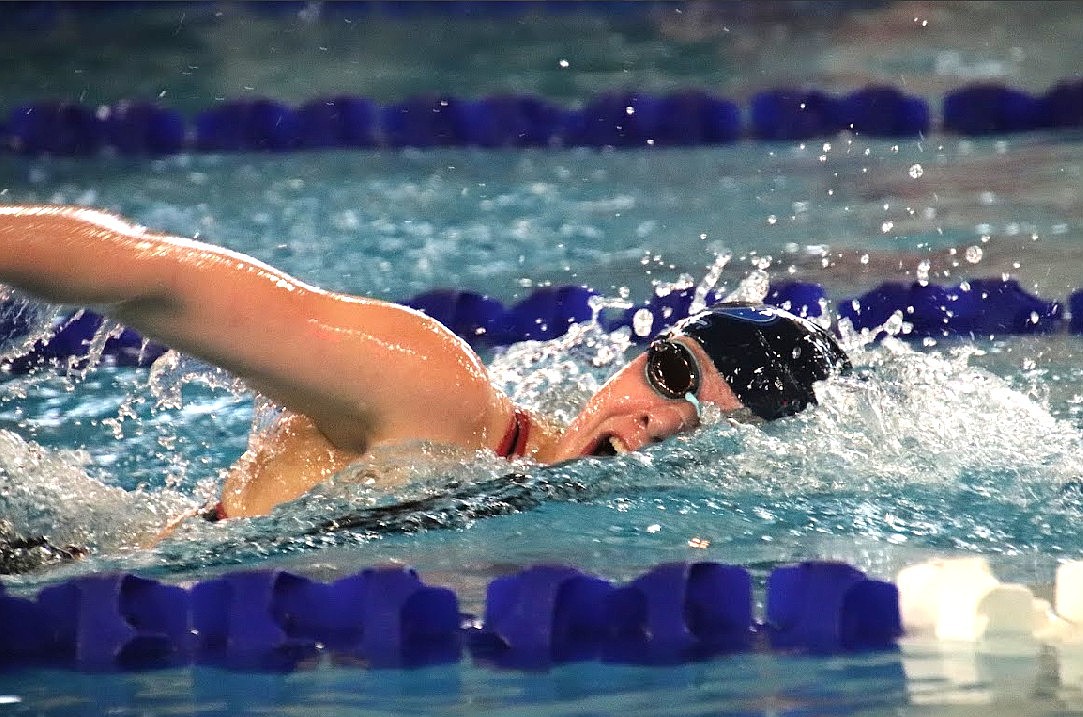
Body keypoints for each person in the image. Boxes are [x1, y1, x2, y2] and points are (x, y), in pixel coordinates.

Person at [0, 205, 850, 521]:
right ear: (634, 358)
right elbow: (161, 276)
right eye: (670, 374)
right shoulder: (434, 396)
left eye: (709, 420)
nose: (658, 418)